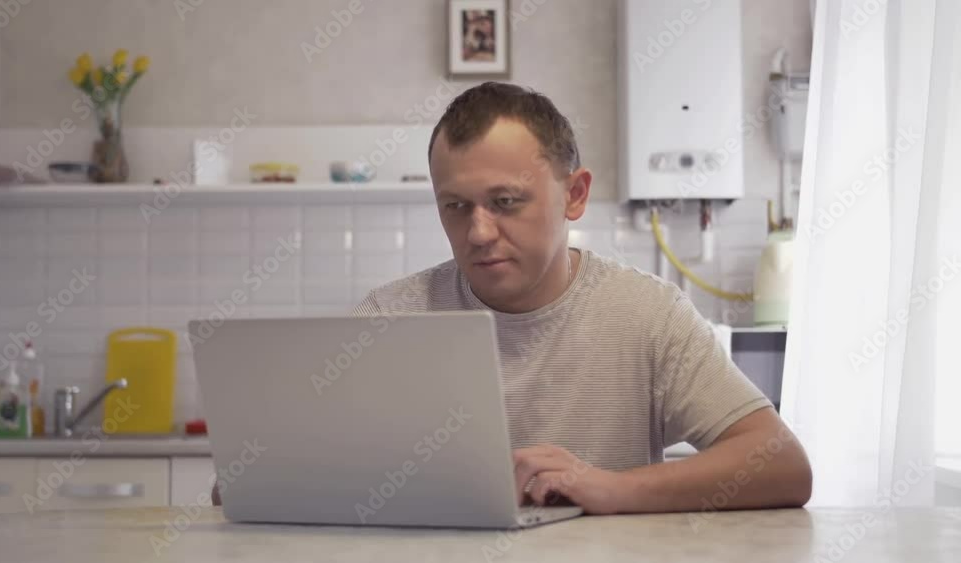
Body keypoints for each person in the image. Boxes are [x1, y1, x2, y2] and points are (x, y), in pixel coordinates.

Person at [213, 82, 812, 513]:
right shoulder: (388, 319)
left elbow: (783, 465)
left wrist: (610, 488)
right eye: (455, 206)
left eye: (505, 202)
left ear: (574, 195)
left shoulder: (648, 317)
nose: (477, 233)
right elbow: (246, 484)